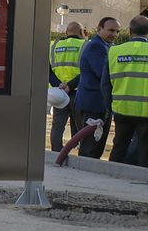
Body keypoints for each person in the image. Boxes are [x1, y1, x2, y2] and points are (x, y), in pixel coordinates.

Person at [75, 16, 120, 159]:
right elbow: (104, 75)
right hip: (93, 106)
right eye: (111, 30)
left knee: (96, 147)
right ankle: (83, 179)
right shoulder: (97, 46)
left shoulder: (104, 46)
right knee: (90, 149)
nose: (114, 34)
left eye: (117, 31)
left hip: (97, 105)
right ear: (99, 29)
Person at [106, 15, 148, 166]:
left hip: (122, 109)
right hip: (146, 112)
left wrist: (110, 105)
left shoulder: (114, 51)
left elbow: (105, 84)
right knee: (145, 150)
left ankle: (112, 180)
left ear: (130, 31)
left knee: (119, 147)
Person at [48, 21, 85, 151]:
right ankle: (81, 152)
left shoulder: (53, 46)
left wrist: (59, 85)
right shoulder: (86, 45)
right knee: (82, 127)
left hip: (59, 93)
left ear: (66, 32)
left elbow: (48, 70)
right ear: (82, 33)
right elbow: (87, 70)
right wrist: (70, 85)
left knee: (57, 126)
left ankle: (56, 153)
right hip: (78, 92)